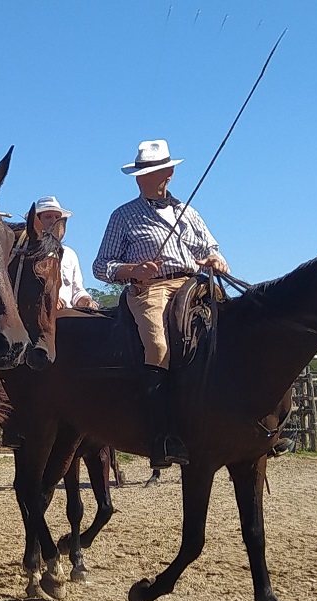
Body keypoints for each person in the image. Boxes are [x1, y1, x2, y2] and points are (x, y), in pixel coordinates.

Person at [93, 139, 229, 467]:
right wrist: (132, 270)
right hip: (150, 290)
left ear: (167, 174)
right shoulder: (123, 216)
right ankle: (161, 435)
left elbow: (211, 246)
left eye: (149, 172)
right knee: (158, 346)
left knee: (234, 329)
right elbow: (100, 266)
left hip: (194, 284)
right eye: (140, 173)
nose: (141, 178)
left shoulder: (189, 212)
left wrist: (216, 259)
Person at [29, 196, 97, 314]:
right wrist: (47, 300)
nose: (53, 221)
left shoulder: (69, 254)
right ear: (37, 222)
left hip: (67, 317)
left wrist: (85, 300)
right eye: (48, 217)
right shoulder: (28, 254)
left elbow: (77, 290)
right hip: (39, 315)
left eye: (57, 217)